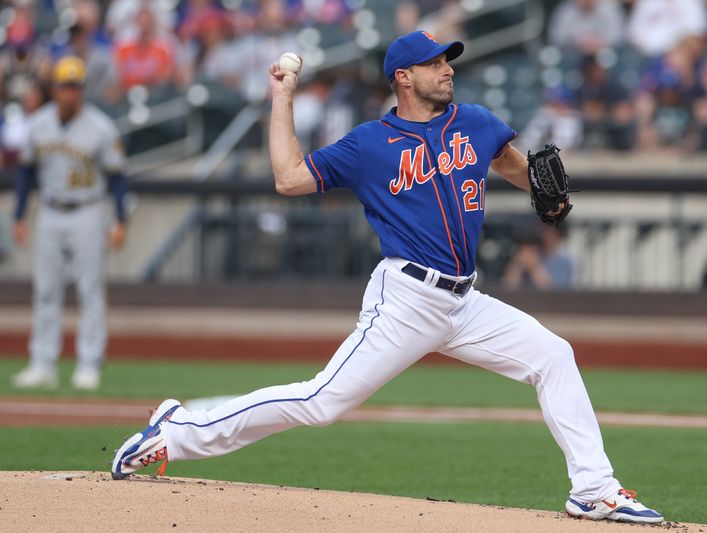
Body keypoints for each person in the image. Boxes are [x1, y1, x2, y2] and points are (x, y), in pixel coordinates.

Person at [111, 31, 663, 524]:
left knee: (553, 355)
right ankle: (177, 432)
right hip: (406, 298)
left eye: (448, 60)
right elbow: (288, 178)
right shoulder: (370, 144)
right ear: (404, 77)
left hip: (465, 301)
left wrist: (546, 193)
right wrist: (282, 97)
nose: (447, 68)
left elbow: (512, 162)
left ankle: (593, 490)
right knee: (322, 402)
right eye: (434, 63)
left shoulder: (473, 121)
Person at [10, 57, 129, 390]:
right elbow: (26, 173)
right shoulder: (38, 124)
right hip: (49, 210)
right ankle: (42, 363)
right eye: (65, 85)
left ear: (83, 89)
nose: (70, 92)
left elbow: (118, 177)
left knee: (90, 290)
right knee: (45, 290)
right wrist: (19, 215)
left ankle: (89, 363)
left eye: (75, 86)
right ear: (55, 88)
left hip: (88, 210)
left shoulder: (101, 126)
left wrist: (121, 218)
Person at [503, 223, 575, 290]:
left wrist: (534, 266)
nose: (545, 235)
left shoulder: (565, 263)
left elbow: (553, 293)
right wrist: (518, 263)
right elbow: (508, 287)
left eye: (550, 231)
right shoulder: (529, 255)